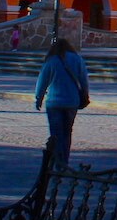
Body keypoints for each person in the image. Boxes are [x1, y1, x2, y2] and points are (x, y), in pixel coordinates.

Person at [34, 38, 89, 170]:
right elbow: (84, 80)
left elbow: (42, 81)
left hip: (54, 102)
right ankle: (64, 160)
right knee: (67, 132)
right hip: (72, 101)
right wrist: (85, 94)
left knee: (55, 133)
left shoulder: (51, 60)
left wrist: (38, 98)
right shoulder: (77, 59)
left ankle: (57, 160)